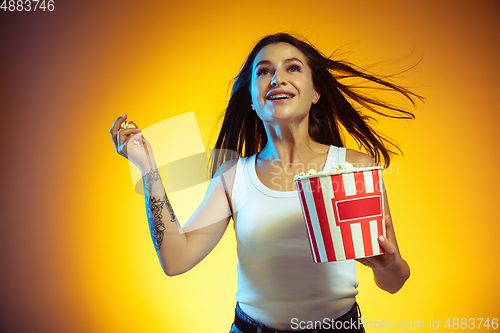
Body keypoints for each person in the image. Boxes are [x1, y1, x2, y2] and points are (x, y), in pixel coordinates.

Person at [110, 33, 420, 333]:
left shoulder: (354, 168)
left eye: (293, 68)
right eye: (264, 71)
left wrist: (386, 264)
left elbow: (394, 282)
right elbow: (176, 260)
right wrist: (147, 166)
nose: (277, 78)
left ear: (315, 92)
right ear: (252, 101)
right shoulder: (233, 177)